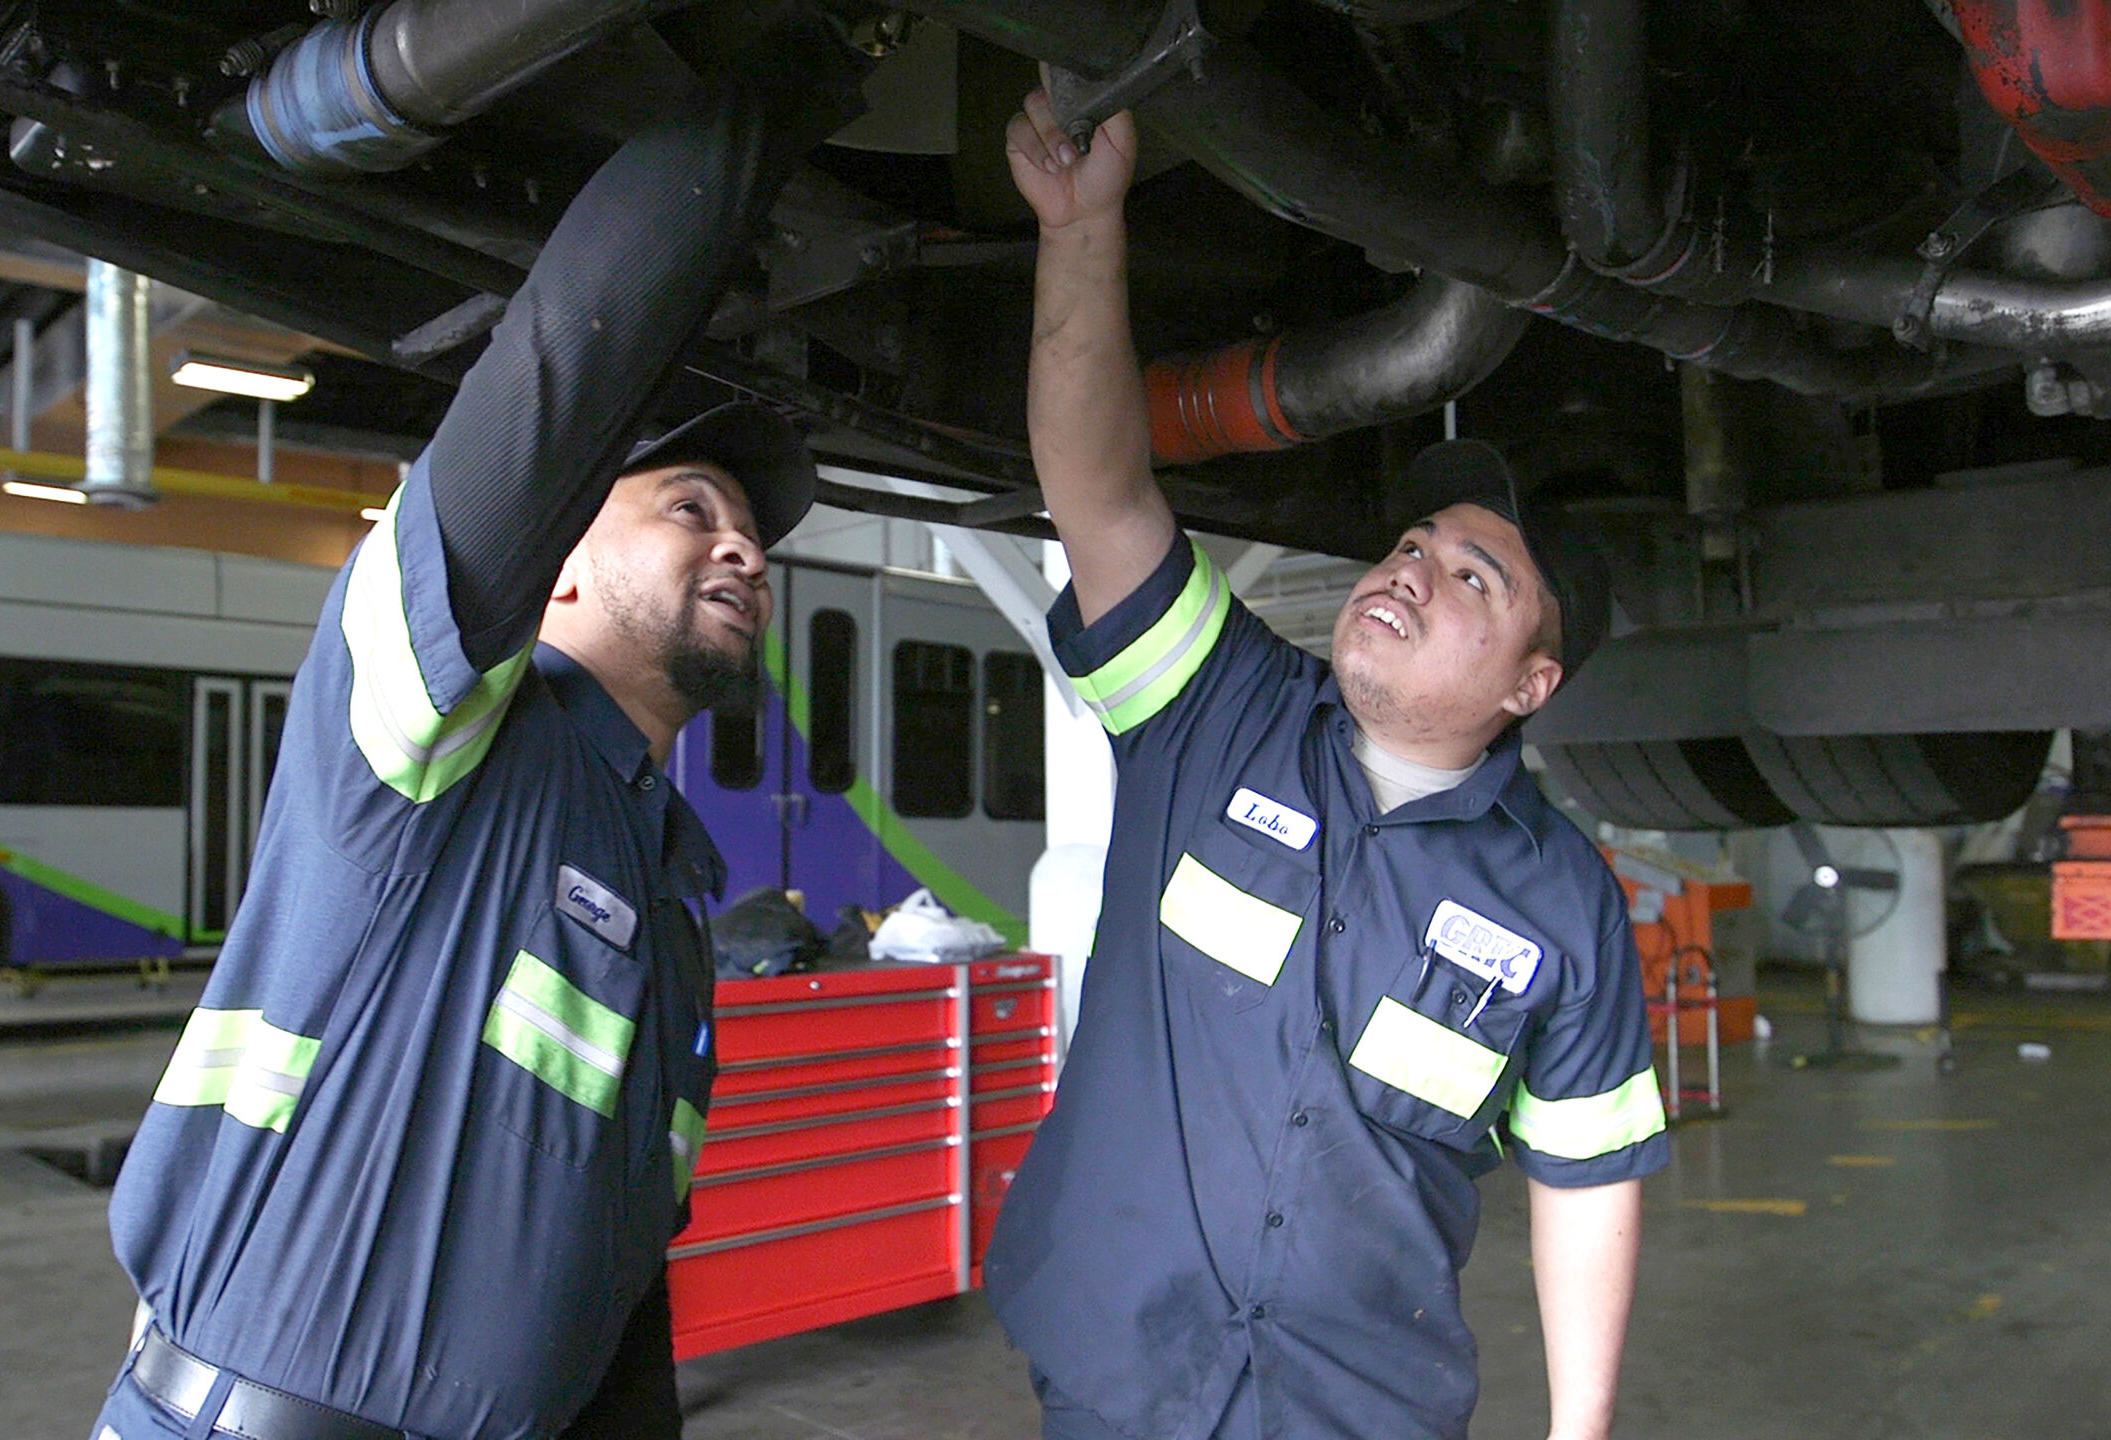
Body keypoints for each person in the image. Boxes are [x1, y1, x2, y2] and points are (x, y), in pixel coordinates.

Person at [87, 24, 864, 1440]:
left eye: (753, 534)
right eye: (695, 510)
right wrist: (789, 72)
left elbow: (619, 1251)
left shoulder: (675, 881)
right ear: (555, 554)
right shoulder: (428, 741)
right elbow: (565, 369)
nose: (747, 552)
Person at [984, 92, 1671, 1440]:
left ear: (1532, 683)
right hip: (1114, 1382)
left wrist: (1581, 1430)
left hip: (1361, 1412)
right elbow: (1099, 490)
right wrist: (1081, 227)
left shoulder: (1564, 904)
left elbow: (1587, 1176)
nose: (1412, 571)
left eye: (1473, 575)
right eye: (1414, 542)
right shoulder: (1215, 704)